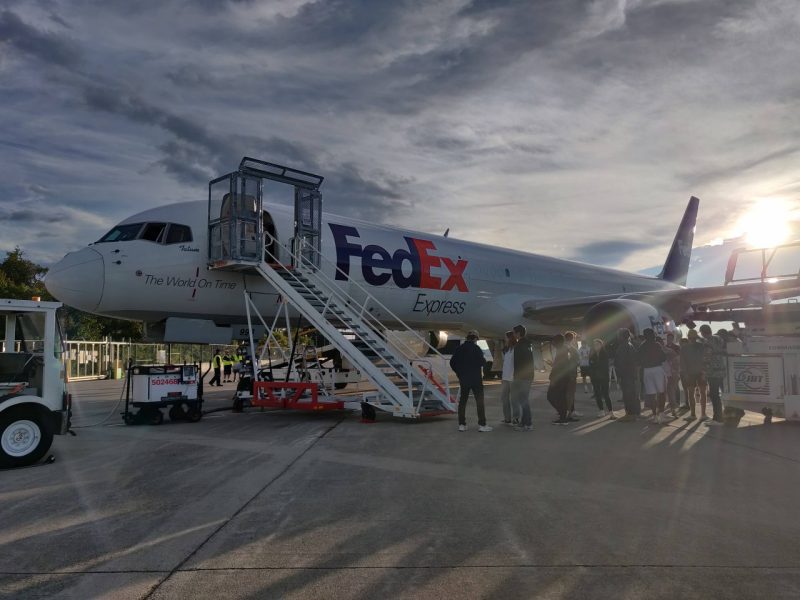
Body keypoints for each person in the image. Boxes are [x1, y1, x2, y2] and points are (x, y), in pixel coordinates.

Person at [450, 330, 491, 432]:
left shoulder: (459, 349)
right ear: (475, 338)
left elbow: (452, 362)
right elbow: (482, 362)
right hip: (476, 379)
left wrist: (459, 373)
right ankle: (482, 425)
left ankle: (462, 425)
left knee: (463, 402)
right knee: (479, 402)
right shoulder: (477, 348)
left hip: (464, 379)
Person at [638, 328, 667, 423]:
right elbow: (663, 357)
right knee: (661, 392)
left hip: (647, 370)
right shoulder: (657, 345)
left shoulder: (641, 347)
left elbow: (638, 360)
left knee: (651, 394)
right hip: (657, 369)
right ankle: (661, 413)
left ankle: (655, 415)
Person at [700, 324, 726, 425]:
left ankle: (717, 419)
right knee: (722, 393)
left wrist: (703, 372)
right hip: (722, 369)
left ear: (703, 332)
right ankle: (723, 415)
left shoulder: (708, 341)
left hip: (713, 372)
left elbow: (707, 357)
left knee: (714, 395)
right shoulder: (719, 338)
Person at [681, 329, 708, 421]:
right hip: (701, 372)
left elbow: (683, 363)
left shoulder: (684, 348)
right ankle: (703, 414)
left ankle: (693, 414)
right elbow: (705, 360)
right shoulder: (702, 346)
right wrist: (704, 371)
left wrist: (685, 373)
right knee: (703, 393)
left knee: (691, 394)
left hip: (690, 373)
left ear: (688, 337)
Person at [512, 324, 535, 431]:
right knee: (523, 399)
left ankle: (528, 423)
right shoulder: (528, 344)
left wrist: (516, 376)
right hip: (529, 375)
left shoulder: (519, 345)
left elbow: (518, 363)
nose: (513, 335)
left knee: (523, 400)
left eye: (514, 333)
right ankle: (524, 422)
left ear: (518, 333)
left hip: (521, 377)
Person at [614, 329, 640, 420]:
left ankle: (630, 414)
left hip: (626, 375)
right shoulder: (630, 345)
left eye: (618, 335)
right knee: (633, 393)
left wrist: (619, 375)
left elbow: (620, 363)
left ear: (622, 336)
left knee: (627, 395)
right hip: (631, 374)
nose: (617, 337)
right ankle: (635, 412)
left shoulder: (623, 347)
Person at [547, 334, 571, 425]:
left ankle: (563, 416)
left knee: (551, 396)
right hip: (562, 378)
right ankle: (563, 416)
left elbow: (560, 366)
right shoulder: (563, 350)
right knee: (560, 398)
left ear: (558, 342)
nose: (552, 343)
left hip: (559, 379)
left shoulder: (562, 350)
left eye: (554, 341)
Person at [589, 339, 614, 419]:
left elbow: (603, 366)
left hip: (604, 377)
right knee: (597, 394)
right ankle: (601, 411)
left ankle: (611, 412)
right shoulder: (592, 354)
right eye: (595, 344)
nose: (596, 346)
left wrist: (595, 364)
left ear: (601, 345)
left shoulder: (605, 353)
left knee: (606, 394)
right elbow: (591, 365)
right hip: (595, 377)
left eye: (598, 344)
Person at [499, 331, 519, 426]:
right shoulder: (506, 349)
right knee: (504, 399)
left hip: (513, 378)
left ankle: (516, 418)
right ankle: (507, 418)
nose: (505, 339)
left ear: (510, 338)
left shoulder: (516, 349)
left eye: (506, 338)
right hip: (505, 378)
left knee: (514, 399)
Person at [659, 337, 680, 419]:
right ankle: (673, 412)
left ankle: (660, 412)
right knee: (671, 394)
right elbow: (676, 361)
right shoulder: (669, 351)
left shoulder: (656, 352)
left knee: (662, 394)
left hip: (663, 375)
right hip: (669, 374)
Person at [564, 331, 581, 420]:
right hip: (571, 374)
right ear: (573, 339)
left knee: (566, 394)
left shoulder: (562, 347)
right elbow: (578, 361)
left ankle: (570, 411)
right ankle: (569, 414)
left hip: (563, 374)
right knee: (570, 394)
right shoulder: (572, 349)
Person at [666, 332, 682, 409]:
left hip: (675, 369)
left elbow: (678, 357)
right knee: (669, 387)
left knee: (675, 386)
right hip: (668, 369)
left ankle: (677, 401)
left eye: (670, 338)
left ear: (672, 339)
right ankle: (671, 402)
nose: (669, 339)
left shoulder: (676, 347)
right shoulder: (665, 346)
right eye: (668, 338)